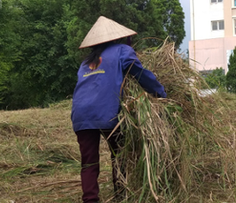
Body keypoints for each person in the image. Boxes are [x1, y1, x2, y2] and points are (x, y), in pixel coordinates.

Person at [71, 16, 167, 203]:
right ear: (117, 37)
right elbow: (139, 73)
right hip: (107, 112)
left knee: (89, 162)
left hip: (81, 115)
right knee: (119, 155)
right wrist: (160, 92)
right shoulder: (122, 50)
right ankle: (120, 195)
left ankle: (90, 199)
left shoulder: (86, 62)